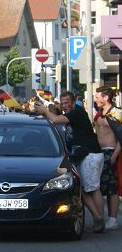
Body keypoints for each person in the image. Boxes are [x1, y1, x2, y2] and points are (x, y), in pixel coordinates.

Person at [36, 91, 106, 232]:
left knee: (92, 188)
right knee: (86, 189)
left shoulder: (77, 112)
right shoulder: (72, 113)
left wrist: (44, 111)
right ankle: (99, 218)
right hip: (85, 155)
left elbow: (55, 120)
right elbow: (56, 115)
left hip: (90, 155)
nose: (64, 106)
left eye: (67, 103)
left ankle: (99, 219)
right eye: (62, 103)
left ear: (74, 102)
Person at [94, 86, 121, 230]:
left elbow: (121, 136)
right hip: (100, 152)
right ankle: (104, 217)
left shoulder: (116, 113)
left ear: (106, 98)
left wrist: (115, 154)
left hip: (111, 153)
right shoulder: (99, 113)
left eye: (98, 97)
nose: (95, 99)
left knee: (112, 188)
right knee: (102, 187)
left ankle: (113, 219)